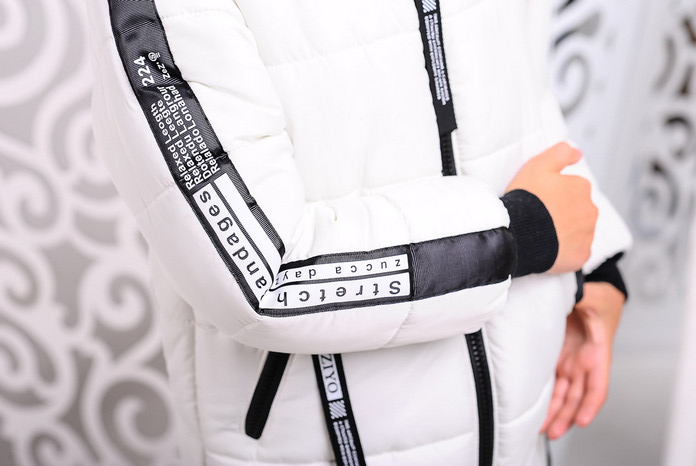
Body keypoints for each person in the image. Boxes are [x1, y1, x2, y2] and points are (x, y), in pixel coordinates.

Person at [87, 0, 632, 464]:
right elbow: (260, 275)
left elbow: (518, 82)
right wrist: (520, 237)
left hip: (522, 414)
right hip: (317, 440)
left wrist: (593, 265)